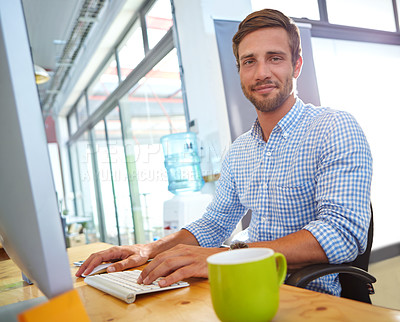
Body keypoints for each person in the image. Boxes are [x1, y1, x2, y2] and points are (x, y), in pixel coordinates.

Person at [76, 8, 372, 296]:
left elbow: (341, 234)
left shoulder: (334, 128)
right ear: (240, 71)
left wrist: (229, 256)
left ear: (296, 65)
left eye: (275, 58)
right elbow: (214, 224)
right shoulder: (239, 151)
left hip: (308, 301)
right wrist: (149, 249)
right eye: (249, 62)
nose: (261, 72)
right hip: (240, 288)